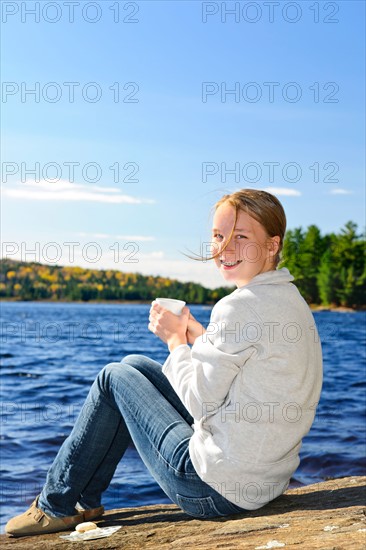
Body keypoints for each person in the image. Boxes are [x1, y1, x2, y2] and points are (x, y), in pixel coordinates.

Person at [6, 189, 323, 537]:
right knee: (136, 365)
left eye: (241, 237)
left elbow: (203, 402)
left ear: (272, 245)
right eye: (218, 236)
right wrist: (198, 336)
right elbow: (244, 372)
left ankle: (55, 505)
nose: (224, 248)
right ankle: (86, 501)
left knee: (113, 378)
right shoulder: (288, 299)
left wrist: (175, 342)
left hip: (212, 489)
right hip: (264, 481)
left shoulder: (238, 306)